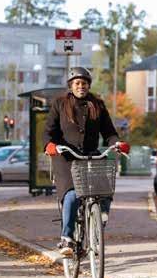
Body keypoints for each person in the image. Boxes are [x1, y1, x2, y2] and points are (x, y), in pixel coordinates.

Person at [43, 67, 130, 257]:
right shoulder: (60, 103)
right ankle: (67, 238)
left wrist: (117, 144)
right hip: (66, 158)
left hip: (91, 156)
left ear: (89, 85)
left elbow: (109, 132)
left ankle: (100, 218)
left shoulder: (97, 104)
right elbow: (49, 131)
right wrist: (50, 146)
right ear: (71, 86)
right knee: (72, 195)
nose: (81, 86)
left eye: (84, 83)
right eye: (77, 83)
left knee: (104, 189)